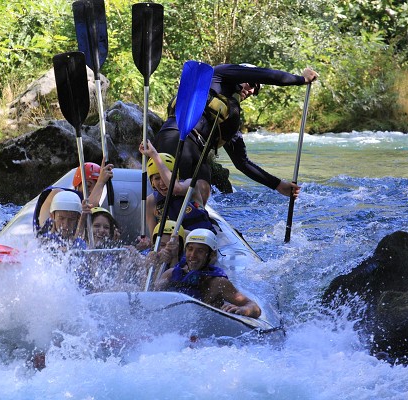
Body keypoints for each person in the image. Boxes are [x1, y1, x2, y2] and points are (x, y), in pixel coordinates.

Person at [154, 63, 319, 204]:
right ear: (242, 74)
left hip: (198, 153)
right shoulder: (219, 75)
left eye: (256, 90)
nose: (253, 91)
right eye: (253, 84)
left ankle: (193, 227)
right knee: (174, 196)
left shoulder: (228, 119)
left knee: (203, 191)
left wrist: (278, 185)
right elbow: (268, 75)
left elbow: (242, 163)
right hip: (176, 138)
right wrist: (301, 79)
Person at [154, 228, 261, 318]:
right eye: (190, 249)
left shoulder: (218, 283)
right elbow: (152, 295)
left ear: (211, 255)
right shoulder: (170, 274)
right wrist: (155, 264)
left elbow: (254, 308)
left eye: (200, 251)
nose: (193, 255)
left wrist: (243, 310)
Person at [137, 141, 215, 249]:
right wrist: (147, 243)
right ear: (151, 182)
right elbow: (155, 239)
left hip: (200, 243)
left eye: (164, 176)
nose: (162, 182)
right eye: (156, 178)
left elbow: (176, 189)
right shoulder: (150, 202)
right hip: (173, 250)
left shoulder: (190, 185)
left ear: (174, 175)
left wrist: (154, 154)